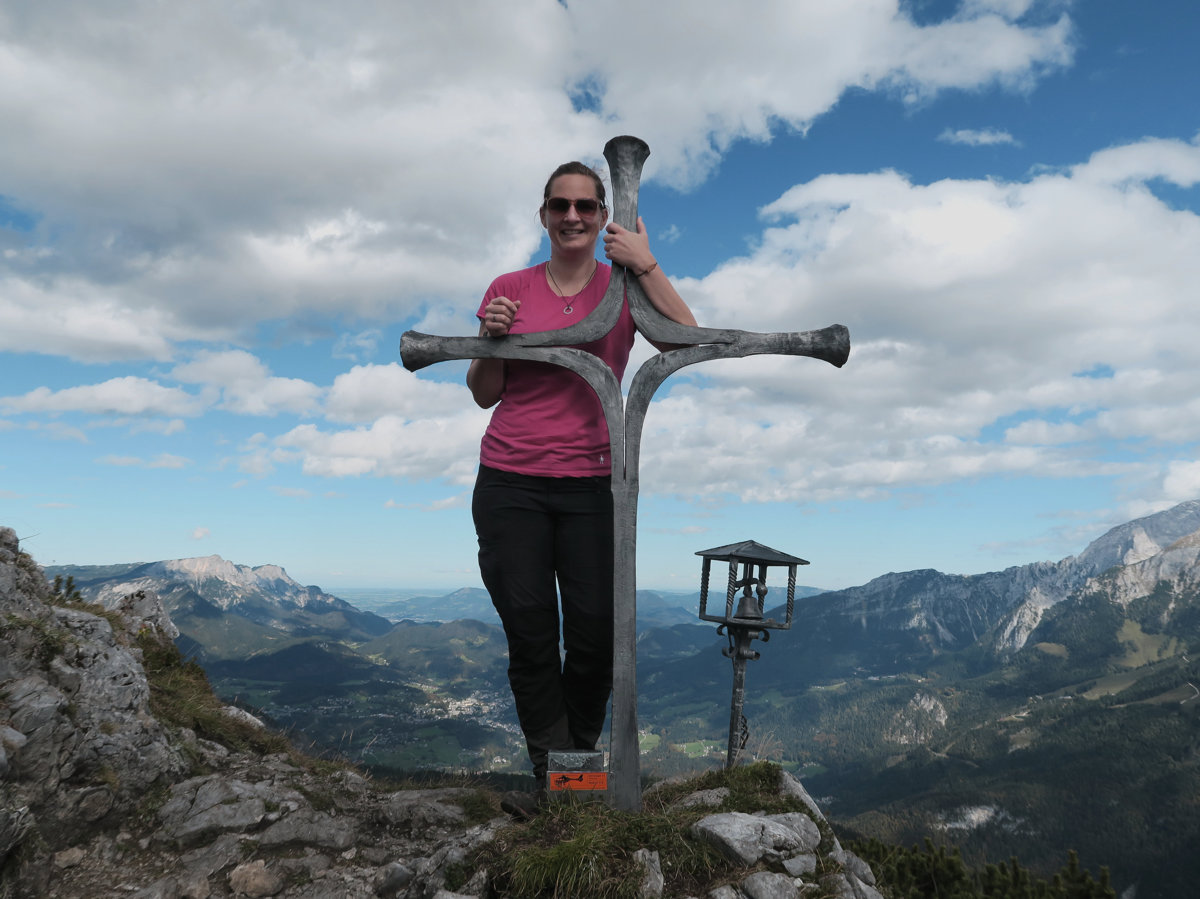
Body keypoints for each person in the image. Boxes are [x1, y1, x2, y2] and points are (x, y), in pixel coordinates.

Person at [467, 160, 696, 815]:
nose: (572, 216)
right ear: (544, 215)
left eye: (586, 207)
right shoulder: (509, 287)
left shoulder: (621, 286)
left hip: (595, 484)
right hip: (511, 482)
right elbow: (485, 393)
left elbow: (688, 338)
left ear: (602, 218)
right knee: (532, 634)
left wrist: (646, 264)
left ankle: (572, 780)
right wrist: (492, 339)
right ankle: (562, 788)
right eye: (560, 205)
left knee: (597, 636)